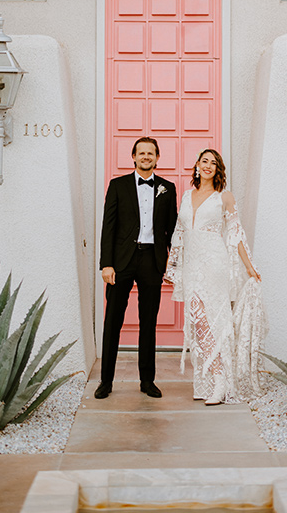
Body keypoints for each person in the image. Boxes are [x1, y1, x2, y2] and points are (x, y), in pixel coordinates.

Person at [165, 149, 265, 405]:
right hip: (191, 266)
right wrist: (172, 266)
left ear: (218, 169)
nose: (208, 165)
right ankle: (207, 382)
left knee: (214, 322)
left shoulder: (225, 197)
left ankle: (220, 382)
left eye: (214, 162)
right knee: (199, 322)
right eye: (204, 161)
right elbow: (178, 234)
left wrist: (249, 267)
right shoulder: (187, 196)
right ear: (197, 165)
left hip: (214, 264)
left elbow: (235, 234)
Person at [95, 136, 177, 399]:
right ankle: (106, 381)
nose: (145, 157)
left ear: (157, 158)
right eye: (141, 153)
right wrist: (106, 264)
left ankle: (147, 381)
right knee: (113, 321)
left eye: (150, 153)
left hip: (152, 262)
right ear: (133, 157)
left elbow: (172, 229)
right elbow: (108, 226)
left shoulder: (168, 188)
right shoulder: (118, 185)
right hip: (121, 262)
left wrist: (173, 264)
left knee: (148, 322)